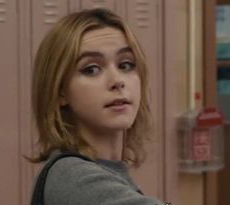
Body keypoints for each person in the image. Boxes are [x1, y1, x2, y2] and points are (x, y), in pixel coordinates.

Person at [30, 8, 164, 205]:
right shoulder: (71, 176)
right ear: (60, 91)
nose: (117, 81)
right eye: (91, 69)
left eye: (126, 65)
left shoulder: (107, 171)